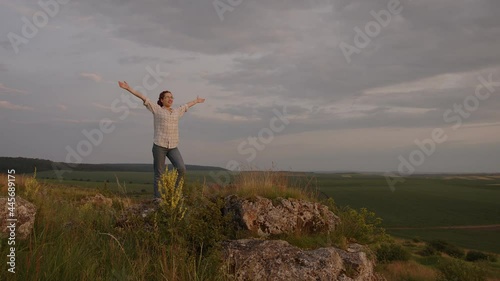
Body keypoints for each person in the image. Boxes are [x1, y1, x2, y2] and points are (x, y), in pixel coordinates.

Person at [118, 81, 205, 198]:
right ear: (162, 99)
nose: (170, 98)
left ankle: (175, 194)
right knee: (159, 174)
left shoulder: (176, 112)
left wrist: (196, 101)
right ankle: (158, 199)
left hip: (173, 146)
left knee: (181, 169)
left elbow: (186, 105)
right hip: (159, 146)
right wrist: (128, 88)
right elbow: (143, 97)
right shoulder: (157, 109)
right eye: (167, 97)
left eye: (171, 97)